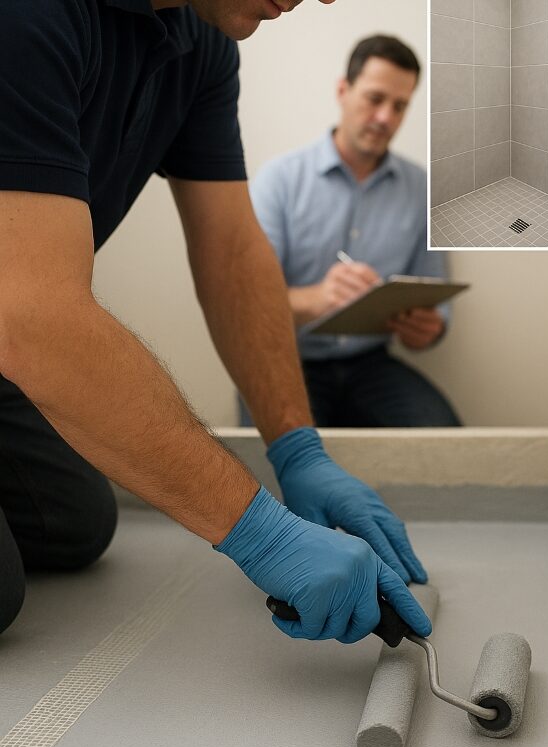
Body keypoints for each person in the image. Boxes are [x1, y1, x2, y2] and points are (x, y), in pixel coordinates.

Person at [0, 0, 433, 645]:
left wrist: (297, 449)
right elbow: (32, 316)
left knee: (75, 525)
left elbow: (232, 252)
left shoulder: (200, 43)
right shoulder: (28, 17)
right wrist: (262, 534)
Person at [248, 35, 461, 428]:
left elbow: (435, 295)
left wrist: (429, 330)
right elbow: (247, 302)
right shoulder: (279, 180)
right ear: (343, 91)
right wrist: (318, 298)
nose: (386, 118)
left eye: (400, 106)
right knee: (281, 462)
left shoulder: (423, 191)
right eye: (375, 99)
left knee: (448, 442)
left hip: (371, 365)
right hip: (286, 362)